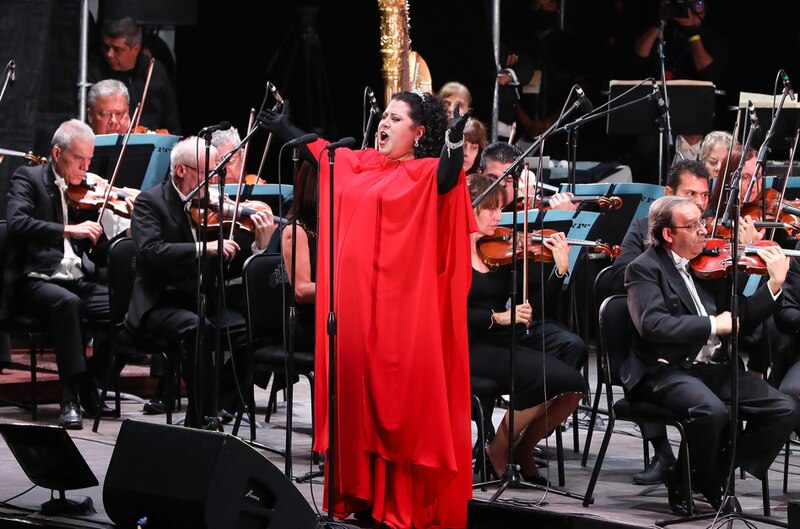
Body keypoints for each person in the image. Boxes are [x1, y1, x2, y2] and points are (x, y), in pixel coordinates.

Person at [258, 91, 472, 529]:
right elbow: (323, 154)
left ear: (418, 133)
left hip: (396, 318)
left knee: (392, 411)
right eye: (385, 116)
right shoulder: (360, 162)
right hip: (352, 317)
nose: (384, 124)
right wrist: (285, 129)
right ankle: (362, 500)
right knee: (355, 407)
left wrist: (452, 144)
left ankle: (396, 506)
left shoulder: (424, 172)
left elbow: (449, 177)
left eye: (396, 119)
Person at [622, 194, 796, 515]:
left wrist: (774, 284)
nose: (704, 230)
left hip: (711, 368)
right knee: (713, 412)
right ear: (668, 234)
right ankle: (704, 479)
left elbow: (740, 319)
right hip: (665, 370)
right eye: (692, 225)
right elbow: (653, 325)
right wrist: (711, 324)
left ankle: (700, 475)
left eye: (702, 222)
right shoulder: (644, 269)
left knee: (784, 408)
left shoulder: (709, 265)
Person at [126, 136, 275, 427]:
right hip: (160, 304)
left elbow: (227, 264)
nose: (214, 182)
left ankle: (220, 401)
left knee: (253, 330)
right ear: (182, 171)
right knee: (199, 330)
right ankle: (200, 417)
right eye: (206, 174)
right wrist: (202, 248)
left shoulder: (209, 207)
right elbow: (150, 252)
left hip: (199, 301)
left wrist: (260, 244)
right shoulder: (150, 202)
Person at [467, 172, 584, 483]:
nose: (499, 216)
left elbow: (533, 306)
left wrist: (559, 271)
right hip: (467, 346)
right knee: (550, 378)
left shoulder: (498, 253)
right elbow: (441, 312)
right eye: (490, 209)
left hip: (503, 341)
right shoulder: (447, 254)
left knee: (573, 385)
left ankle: (519, 447)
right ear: (468, 209)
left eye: (500, 208)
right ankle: (499, 451)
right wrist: (496, 317)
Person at [5, 119, 115, 430]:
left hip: (75, 280)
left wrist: (101, 238)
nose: (86, 166)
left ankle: (89, 383)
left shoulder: (84, 192)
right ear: (57, 153)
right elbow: (17, 223)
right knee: (68, 304)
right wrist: (69, 228)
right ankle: (70, 398)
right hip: (36, 281)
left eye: (90, 159)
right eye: (79, 159)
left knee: (123, 308)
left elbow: (97, 252)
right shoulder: (28, 179)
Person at [609, 159, 709, 484]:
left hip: (694, 332)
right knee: (643, 349)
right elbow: (617, 274)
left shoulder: (702, 230)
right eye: (689, 193)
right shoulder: (642, 229)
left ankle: (702, 462)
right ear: (668, 194)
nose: (698, 203)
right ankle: (663, 451)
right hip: (649, 327)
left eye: (704, 195)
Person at [88, 16, 180, 134]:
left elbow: (171, 122)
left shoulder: (155, 71)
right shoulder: (95, 72)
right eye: (106, 47)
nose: (109, 54)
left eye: (117, 49)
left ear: (135, 49)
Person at [281, 161, 318, 353]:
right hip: (308, 324)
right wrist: (343, 293)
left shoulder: (331, 227)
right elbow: (302, 291)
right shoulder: (296, 231)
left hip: (332, 317)